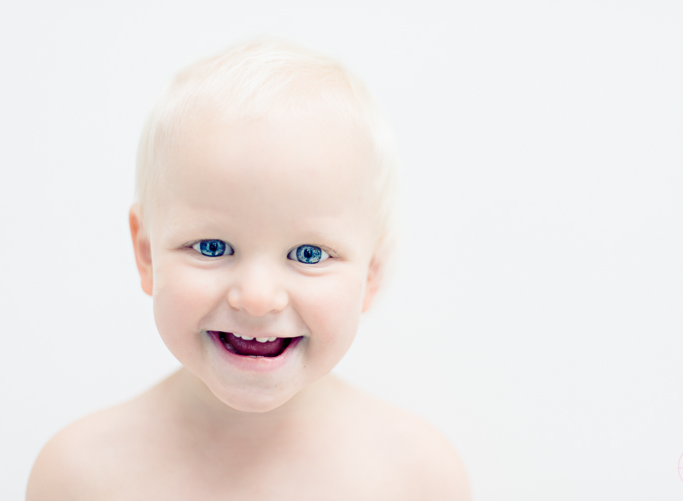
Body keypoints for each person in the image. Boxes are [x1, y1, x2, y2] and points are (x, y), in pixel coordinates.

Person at [26, 38, 471, 500]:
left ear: (372, 274)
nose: (258, 297)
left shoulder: (417, 477)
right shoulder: (79, 476)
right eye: (213, 247)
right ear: (147, 255)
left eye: (309, 254)